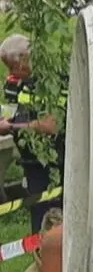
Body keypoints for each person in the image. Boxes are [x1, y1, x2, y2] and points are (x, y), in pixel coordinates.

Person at [0, 35, 63, 234]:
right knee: (38, 216)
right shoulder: (14, 82)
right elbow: (11, 111)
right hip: (31, 162)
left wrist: (13, 127)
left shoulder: (51, 83)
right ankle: (41, 255)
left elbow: (50, 126)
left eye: (14, 66)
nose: (11, 72)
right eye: (8, 67)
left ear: (27, 59)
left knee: (55, 214)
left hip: (56, 160)